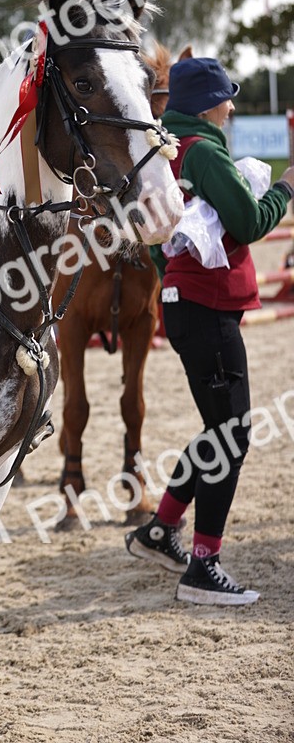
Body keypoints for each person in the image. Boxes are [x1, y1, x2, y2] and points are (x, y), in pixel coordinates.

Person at [125, 56, 294, 605]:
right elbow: (248, 223)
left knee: (217, 427)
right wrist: (286, 189)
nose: (233, 105)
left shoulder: (163, 152)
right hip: (209, 306)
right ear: (208, 104)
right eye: (228, 96)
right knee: (233, 435)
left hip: (181, 302)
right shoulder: (204, 149)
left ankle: (160, 529)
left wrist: (171, 281)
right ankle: (203, 565)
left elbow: (153, 241)